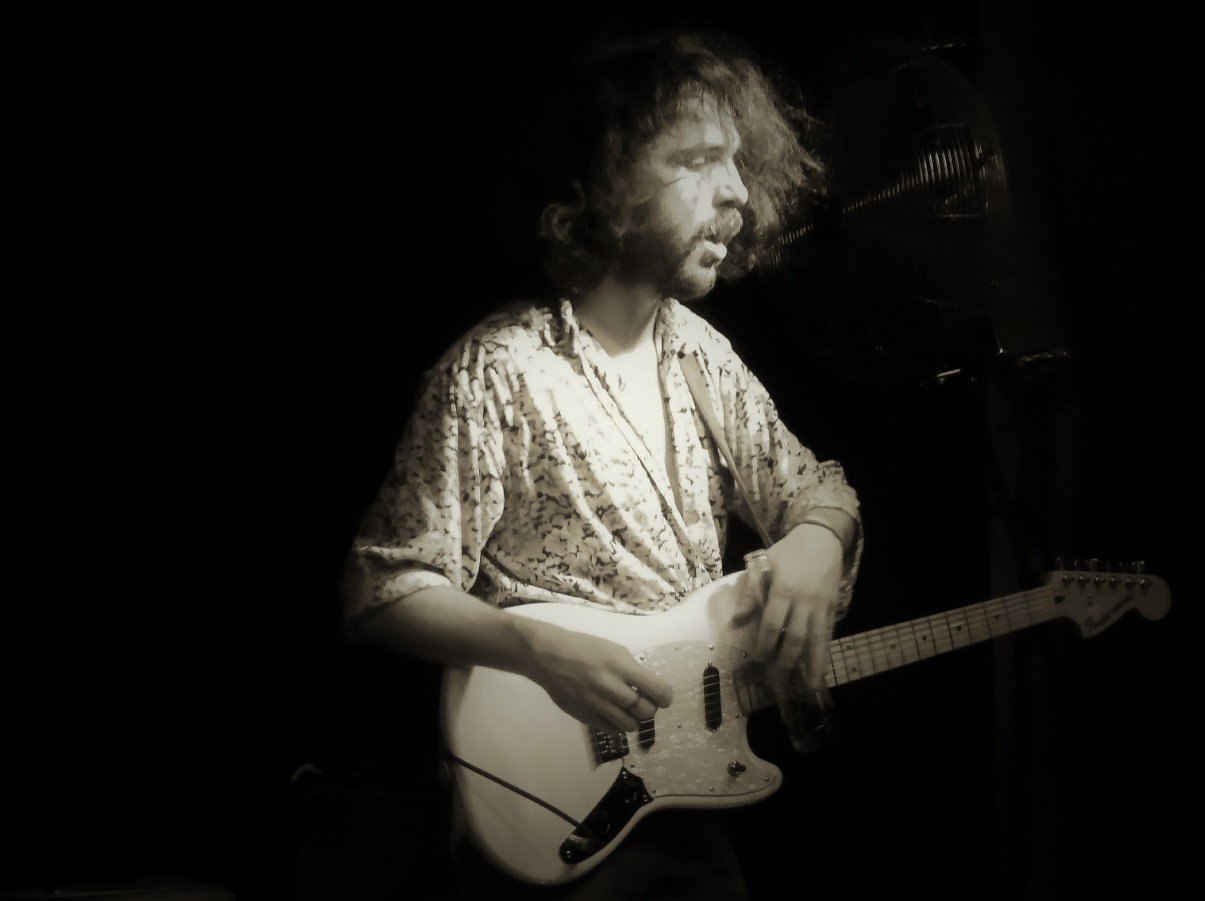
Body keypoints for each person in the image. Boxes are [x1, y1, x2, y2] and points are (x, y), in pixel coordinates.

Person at [340, 27, 863, 900]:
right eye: (696, 160)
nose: (736, 190)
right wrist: (536, 648)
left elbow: (818, 491)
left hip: (687, 804)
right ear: (605, 182)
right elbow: (381, 588)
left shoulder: (703, 358)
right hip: (547, 803)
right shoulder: (501, 369)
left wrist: (817, 540)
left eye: (735, 162)